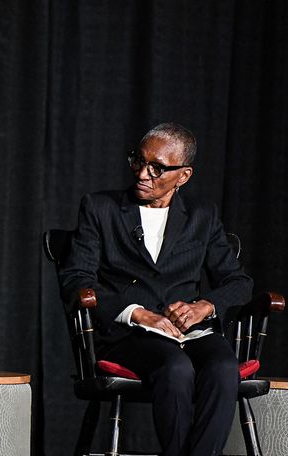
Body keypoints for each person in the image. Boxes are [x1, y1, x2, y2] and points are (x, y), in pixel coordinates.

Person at [59, 122, 253, 455]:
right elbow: (77, 279)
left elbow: (239, 283)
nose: (142, 173)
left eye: (157, 168)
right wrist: (137, 314)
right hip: (128, 337)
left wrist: (204, 306)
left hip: (191, 334)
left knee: (223, 368)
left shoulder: (201, 216)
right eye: (137, 160)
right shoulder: (100, 208)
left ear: (184, 176)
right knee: (176, 368)